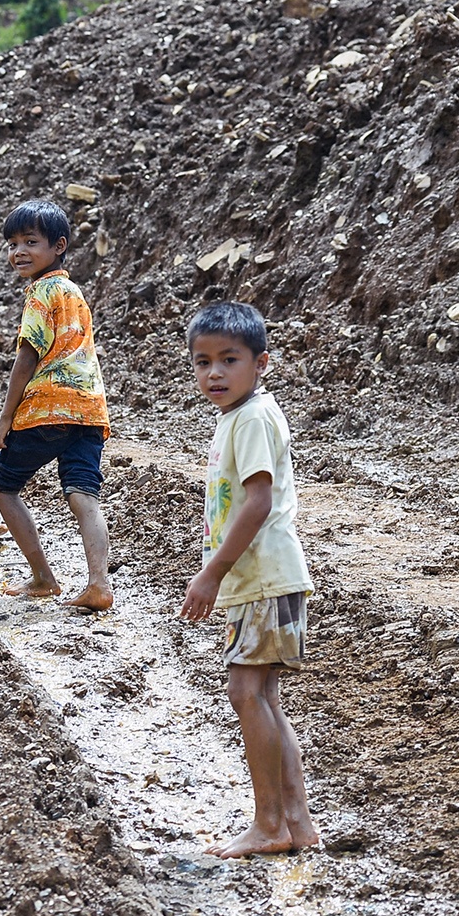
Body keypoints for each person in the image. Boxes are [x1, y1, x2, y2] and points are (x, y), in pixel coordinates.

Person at [178, 301, 321, 859]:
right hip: (261, 580)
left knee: (245, 692)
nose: (214, 373)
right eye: (202, 361)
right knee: (261, 697)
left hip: (264, 576)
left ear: (261, 363)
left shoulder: (255, 417)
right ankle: (295, 822)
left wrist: (210, 573)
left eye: (229, 360)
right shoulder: (236, 417)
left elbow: (258, 501)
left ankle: (269, 824)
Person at [0, 199, 113, 610]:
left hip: (48, 408)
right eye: (12, 243)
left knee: (0, 484)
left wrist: (6, 417)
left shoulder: (41, 292)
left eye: (29, 242)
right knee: (83, 494)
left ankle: (42, 577)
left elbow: (28, 356)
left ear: (58, 246)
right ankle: (98, 585)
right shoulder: (74, 292)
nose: (18, 251)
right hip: (90, 410)